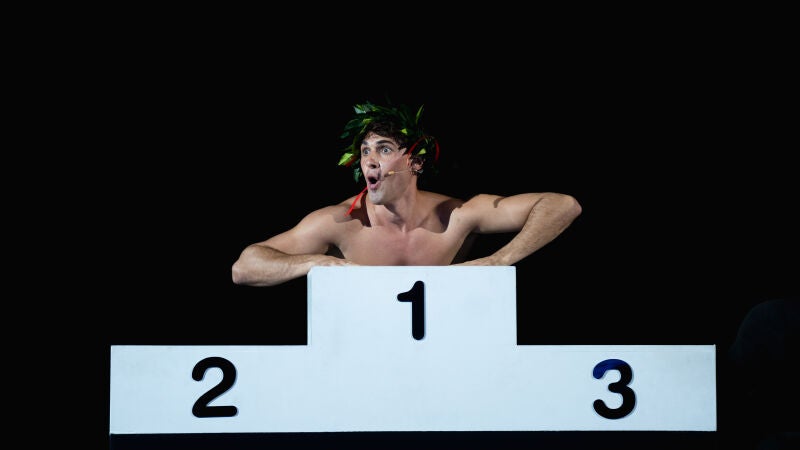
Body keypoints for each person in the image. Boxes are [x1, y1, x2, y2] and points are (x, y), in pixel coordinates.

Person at [232, 101, 582, 287]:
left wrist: (498, 261)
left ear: (415, 163)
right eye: (365, 151)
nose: (370, 160)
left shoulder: (457, 216)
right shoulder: (340, 222)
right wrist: (315, 262)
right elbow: (245, 267)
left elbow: (561, 205)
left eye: (384, 149)